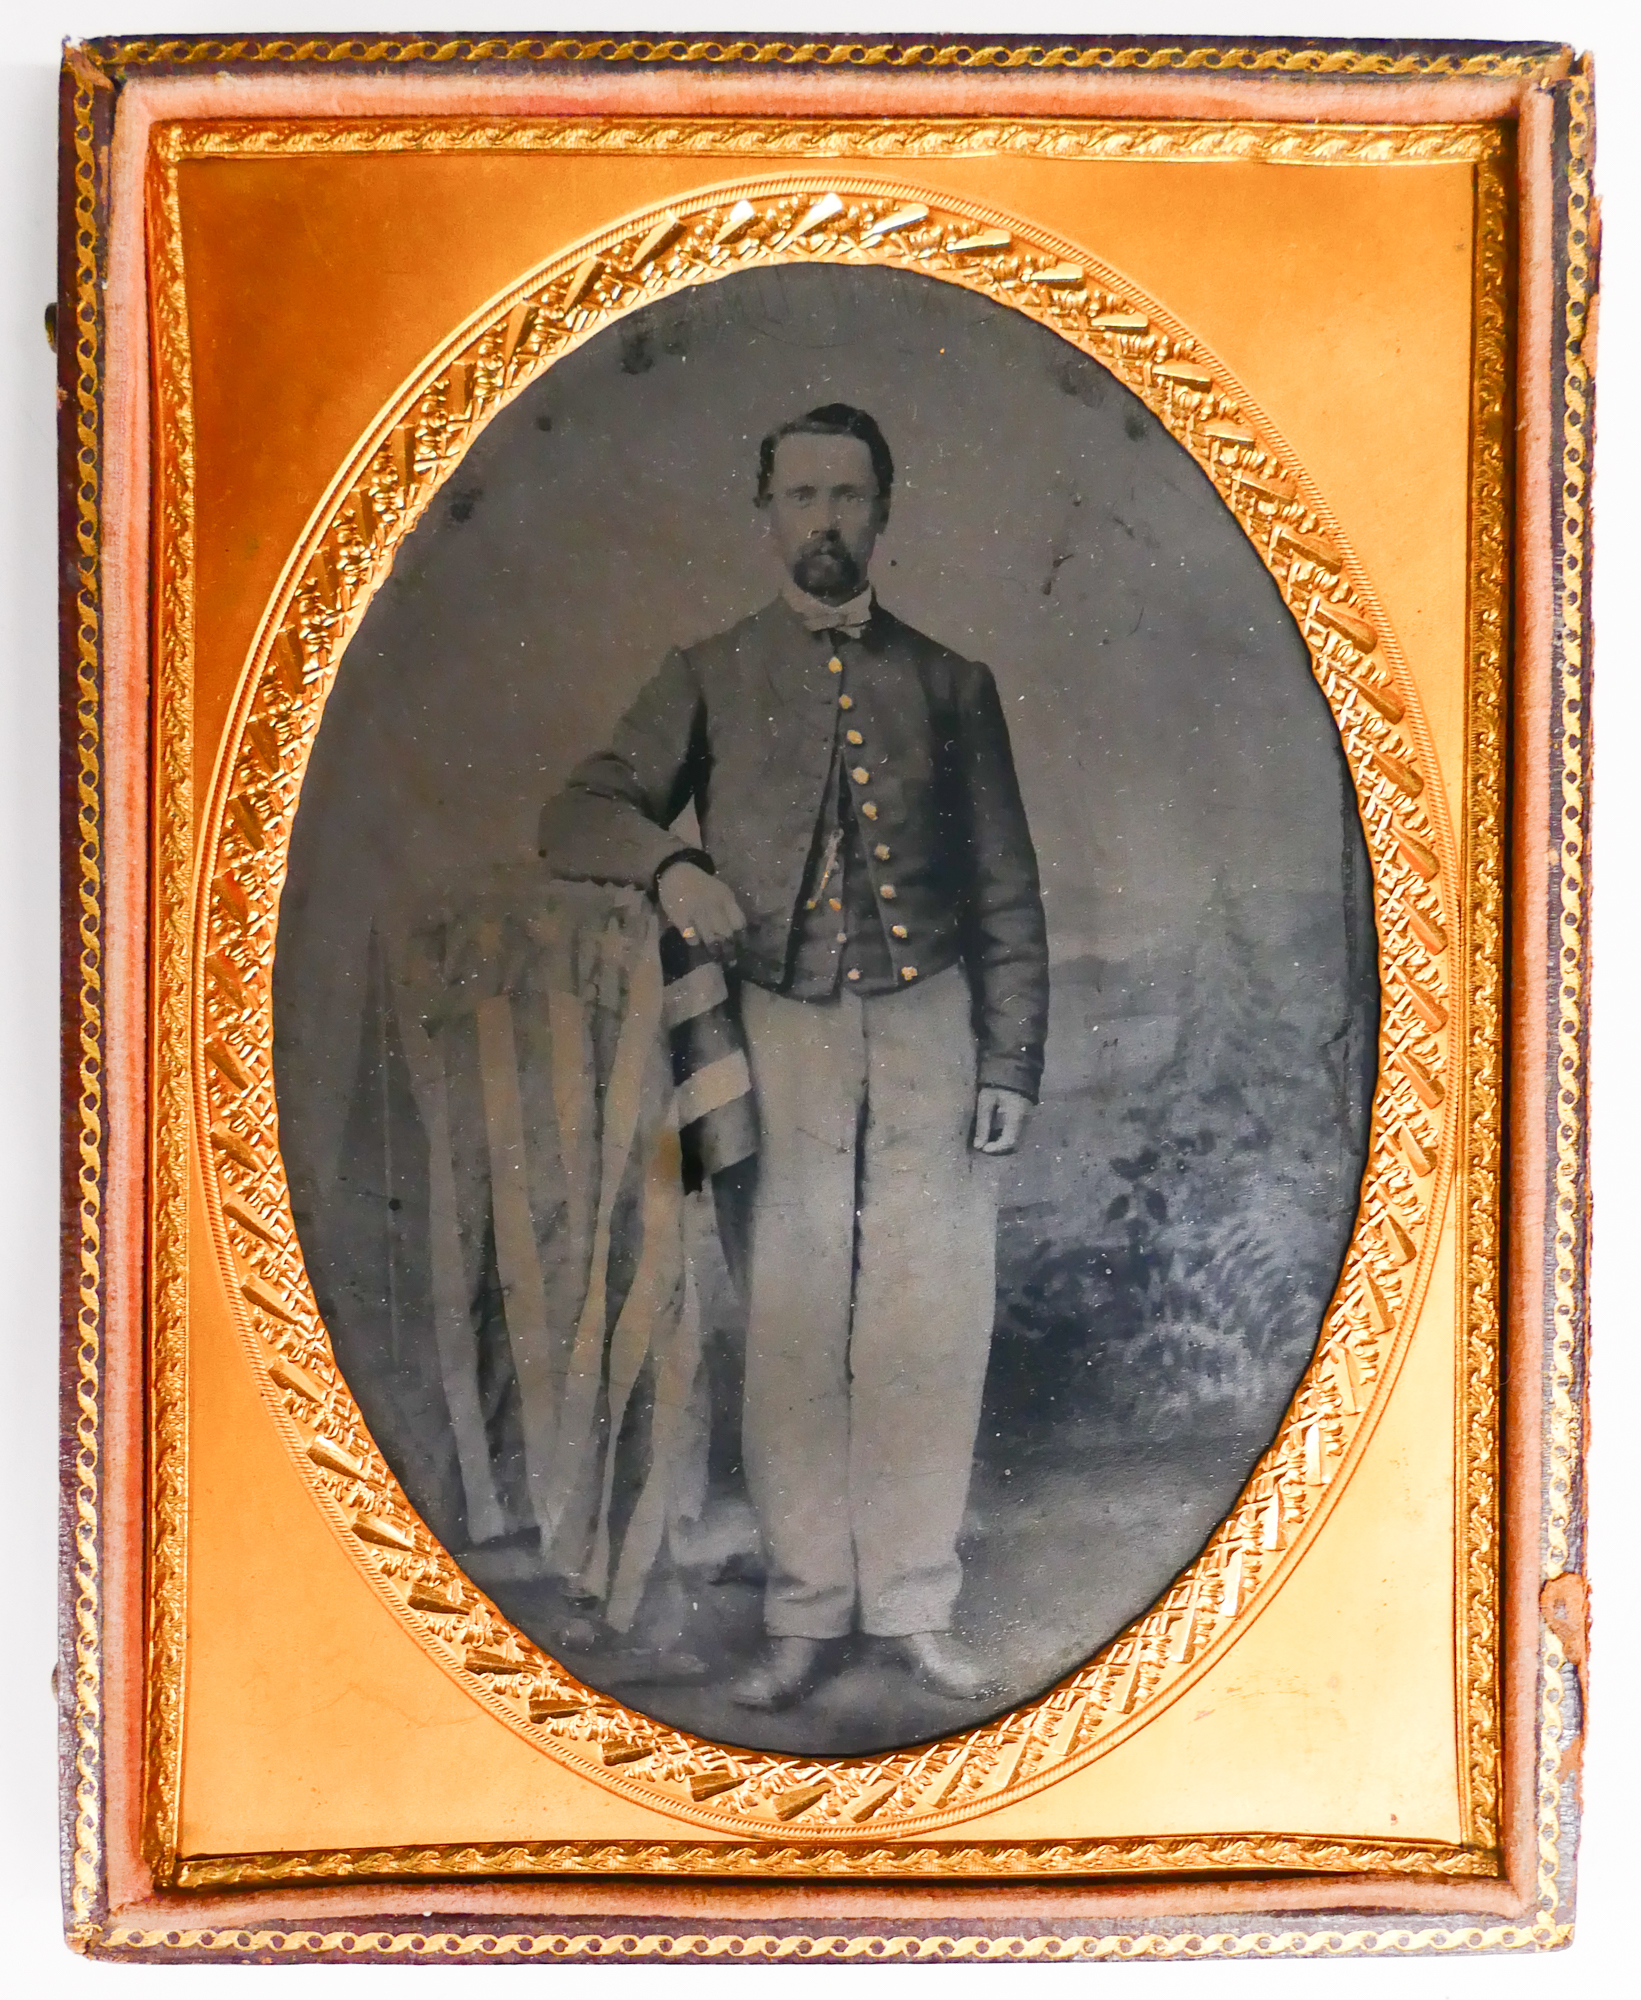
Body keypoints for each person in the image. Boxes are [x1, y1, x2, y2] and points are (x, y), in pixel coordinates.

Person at [539, 403, 1049, 1710]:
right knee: (790, 1322)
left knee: (926, 1320)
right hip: (777, 1032)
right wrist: (673, 857)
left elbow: (1006, 894)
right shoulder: (706, 671)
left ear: (883, 514)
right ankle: (808, 1611)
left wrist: (1007, 1065)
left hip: (933, 1027)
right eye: (803, 495)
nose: (826, 520)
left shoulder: (951, 683)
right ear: (765, 511)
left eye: (849, 497)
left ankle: (914, 1606)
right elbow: (578, 809)